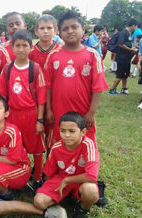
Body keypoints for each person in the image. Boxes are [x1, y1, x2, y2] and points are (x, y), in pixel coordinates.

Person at [45, 11, 108, 145]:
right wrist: (49, 109)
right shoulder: (53, 56)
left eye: (74, 27)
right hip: (58, 111)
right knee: (58, 144)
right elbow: (48, 85)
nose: (70, 31)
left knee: (84, 144)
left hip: (83, 112)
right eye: (65, 29)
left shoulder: (92, 55)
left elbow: (97, 88)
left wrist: (91, 113)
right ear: (59, 33)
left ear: (83, 29)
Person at [0, 30, 47, 189]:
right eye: (17, 45)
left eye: (25, 45)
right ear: (12, 48)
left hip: (31, 114)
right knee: (15, 146)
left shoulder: (36, 68)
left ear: (31, 48)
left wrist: (40, 120)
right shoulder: (7, 69)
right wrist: (3, 116)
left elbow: (41, 98)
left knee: (36, 148)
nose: (21, 49)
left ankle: (38, 177)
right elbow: (1, 95)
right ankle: (18, 174)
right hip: (13, 114)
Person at [34, 112, 100, 218]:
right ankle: (63, 200)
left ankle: (82, 210)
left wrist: (67, 180)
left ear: (83, 132)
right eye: (62, 131)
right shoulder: (56, 148)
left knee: (91, 190)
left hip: (81, 181)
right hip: (61, 178)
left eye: (72, 131)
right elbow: (49, 173)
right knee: (39, 202)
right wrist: (48, 190)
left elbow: (91, 176)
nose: (67, 135)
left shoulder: (88, 145)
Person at [29, 15, 61, 151]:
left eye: (49, 28)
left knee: (54, 133)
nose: (46, 31)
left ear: (56, 31)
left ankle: (51, 165)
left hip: (56, 99)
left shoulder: (61, 51)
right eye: (42, 28)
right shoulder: (30, 53)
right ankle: (36, 167)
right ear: (36, 31)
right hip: (35, 100)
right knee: (36, 132)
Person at [109, 18, 139, 95]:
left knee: (125, 75)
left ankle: (124, 89)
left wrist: (132, 49)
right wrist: (130, 49)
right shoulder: (124, 33)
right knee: (120, 75)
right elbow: (120, 44)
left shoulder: (129, 33)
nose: (136, 29)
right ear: (133, 25)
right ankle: (112, 90)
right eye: (136, 27)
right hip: (122, 58)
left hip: (127, 58)